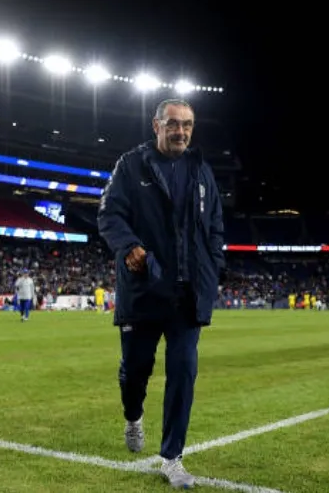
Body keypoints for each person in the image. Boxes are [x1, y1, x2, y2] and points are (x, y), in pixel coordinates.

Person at [97, 98, 225, 489]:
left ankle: (172, 457)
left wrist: (213, 269)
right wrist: (129, 245)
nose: (181, 131)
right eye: (173, 124)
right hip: (145, 288)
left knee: (183, 371)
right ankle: (133, 416)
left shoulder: (202, 171)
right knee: (135, 370)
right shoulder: (131, 165)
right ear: (156, 126)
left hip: (189, 293)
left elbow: (215, 227)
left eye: (187, 125)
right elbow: (108, 214)